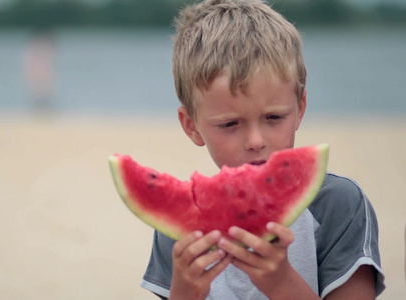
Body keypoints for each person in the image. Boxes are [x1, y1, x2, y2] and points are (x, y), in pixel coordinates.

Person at [140, 0, 385, 299]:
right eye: (230, 124)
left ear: (299, 110)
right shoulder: (176, 231)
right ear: (191, 126)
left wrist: (282, 284)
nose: (255, 140)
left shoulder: (338, 205)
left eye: (274, 118)